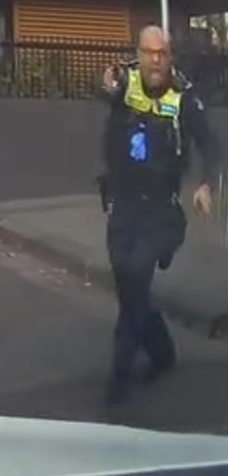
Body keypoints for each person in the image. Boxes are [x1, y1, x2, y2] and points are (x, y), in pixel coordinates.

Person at [99, 25, 220, 406]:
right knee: (127, 282)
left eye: (163, 53)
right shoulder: (125, 84)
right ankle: (163, 352)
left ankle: (118, 377)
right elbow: (104, 93)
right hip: (123, 205)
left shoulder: (183, 97)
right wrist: (103, 86)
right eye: (149, 52)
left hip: (161, 210)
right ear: (139, 52)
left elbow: (211, 145)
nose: (156, 60)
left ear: (170, 56)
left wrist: (205, 185)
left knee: (135, 273)